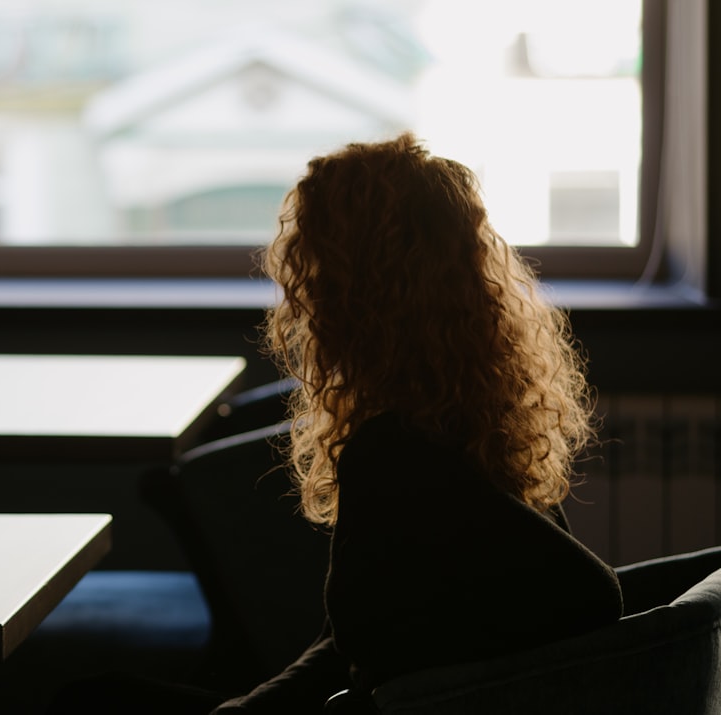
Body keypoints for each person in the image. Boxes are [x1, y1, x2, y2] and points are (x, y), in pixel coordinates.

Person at [48, 132, 721, 714]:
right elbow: (351, 646)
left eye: (309, 274)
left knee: (91, 699)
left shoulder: (393, 454)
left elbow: (363, 655)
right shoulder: (470, 417)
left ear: (349, 294)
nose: (298, 299)